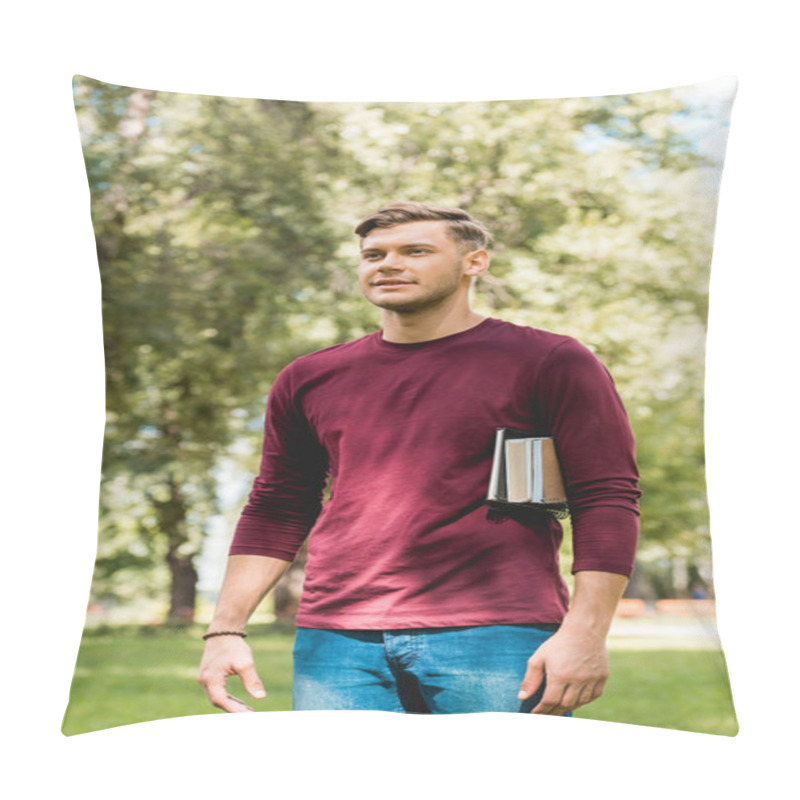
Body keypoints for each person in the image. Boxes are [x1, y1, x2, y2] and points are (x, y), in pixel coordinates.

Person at [197, 201, 640, 716]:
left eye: (415, 251)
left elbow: (606, 497)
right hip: (337, 640)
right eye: (373, 254)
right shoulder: (309, 377)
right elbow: (276, 506)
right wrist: (224, 629)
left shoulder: (549, 362)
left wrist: (586, 633)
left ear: (475, 263)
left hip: (496, 632)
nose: (387, 264)